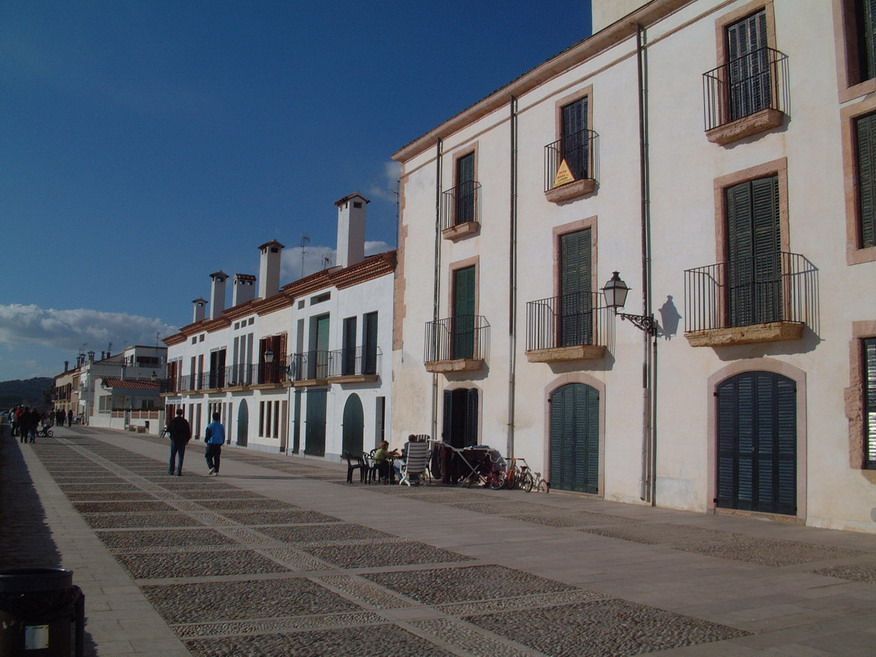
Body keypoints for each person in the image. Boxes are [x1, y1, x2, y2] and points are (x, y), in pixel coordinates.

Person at [167, 409, 192, 476]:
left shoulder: (173, 421)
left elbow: (168, 430)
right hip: (182, 441)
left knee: (172, 456)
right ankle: (179, 471)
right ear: (182, 413)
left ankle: (171, 470)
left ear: (176, 413)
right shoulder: (184, 421)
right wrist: (187, 440)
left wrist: (171, 437)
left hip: (174, 441)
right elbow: (188, 432)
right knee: (181, 456)